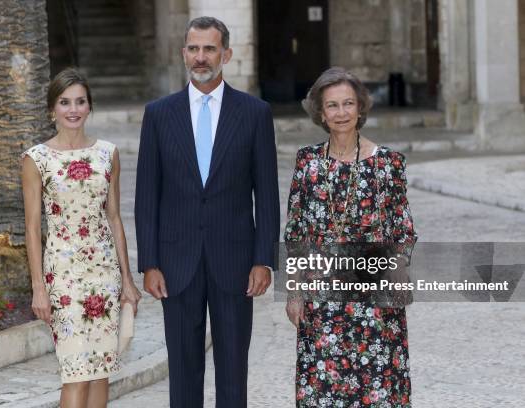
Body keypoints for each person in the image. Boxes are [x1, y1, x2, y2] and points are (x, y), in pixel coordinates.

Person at [135, 16, 280, 407]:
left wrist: (263, 260)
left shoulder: (254, 113)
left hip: (234, 263)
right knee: (183, 372)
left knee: (233, 370)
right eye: (194, 49)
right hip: (175, 263)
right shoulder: (159, 114)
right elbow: (147, 195)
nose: (201, 58)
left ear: (226, 54)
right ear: (184, 54)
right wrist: (149, 262)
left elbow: (266, 195)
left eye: (210, 49)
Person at [284, 67, 417, 407]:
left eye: (348, 104)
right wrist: (294, 293)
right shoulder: (308, 162)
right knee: (323, 391)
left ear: (360, 108)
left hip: (375, 299)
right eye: (332, 106)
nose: (341, 113)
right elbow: (296, 232)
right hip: (321, 299)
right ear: (321, 113)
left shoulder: (387, 163)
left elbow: (403, 229)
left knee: (378, 388)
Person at [21, 68, 141, 408]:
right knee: (74, 373)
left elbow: (114, 217)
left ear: (89, 107)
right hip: (62, 278)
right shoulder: (36, 159)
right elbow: (32, 228)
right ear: (51, 109)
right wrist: (38, 288)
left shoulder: (108, 153)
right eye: (64, 102)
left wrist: (128, 281)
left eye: (80, 101)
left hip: (104, 274)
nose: (73, 109)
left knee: (101, 370)